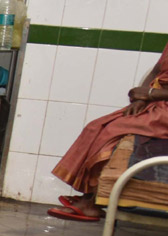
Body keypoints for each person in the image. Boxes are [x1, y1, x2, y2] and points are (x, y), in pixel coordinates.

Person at [48, 40, 168, 221]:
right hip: (156, 102)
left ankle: (91, 203)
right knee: (96, 127)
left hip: (163, 107)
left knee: (113, 130)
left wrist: (151, 94)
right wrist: (141, 98)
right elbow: (155, 71)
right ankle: (89, 195)